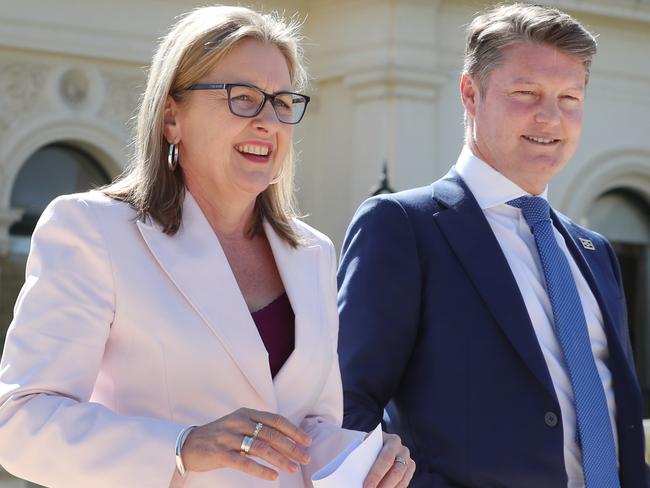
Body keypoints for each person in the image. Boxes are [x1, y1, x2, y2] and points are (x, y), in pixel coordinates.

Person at [0, 6, 415, 488]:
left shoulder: (312, 253)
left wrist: (364, 456)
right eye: (243, 98)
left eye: (282, 102)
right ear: (171, 117)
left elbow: (304, 432)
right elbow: (19, 422)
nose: (268, 121)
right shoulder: (93, 230)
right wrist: (182, 447)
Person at [337, 3, 648, 488]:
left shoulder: (595, 250)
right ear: (470, 93)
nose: (551, 117)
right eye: (526, 93)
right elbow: (346, 409)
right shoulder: (402, 227)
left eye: (569, 97)